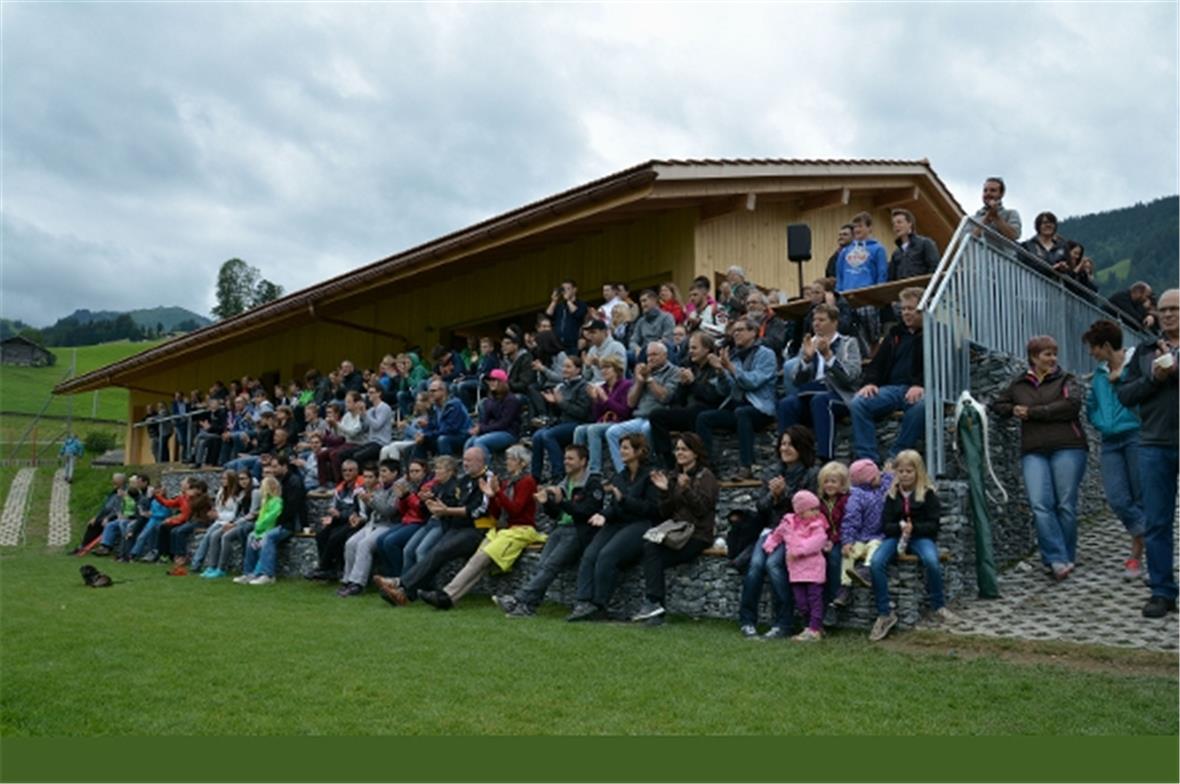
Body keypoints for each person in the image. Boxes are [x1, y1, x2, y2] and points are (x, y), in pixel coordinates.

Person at [992, 335, 1087, 580]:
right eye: (1047, 354)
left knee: (1065, 504)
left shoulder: (1067, 380)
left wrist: (1033, 413)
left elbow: (1071, 406)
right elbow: (999, 404)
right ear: (1034, 358)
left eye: (1054, 353)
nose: (1053, 358)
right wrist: (1012, 409)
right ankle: (1056, 558)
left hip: (1068, 446)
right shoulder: (1019, 384)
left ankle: (1065, 556)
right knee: (1040, 504)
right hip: (1033, 450)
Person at [1117, 288, 1179, 617]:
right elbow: (1125, 394)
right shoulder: (1143, 350)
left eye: (1175, 309)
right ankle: (1162, 591)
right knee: (1157, 521)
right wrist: (1155, 378)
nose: (1168, 315)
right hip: (1154, 444)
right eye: (1164, 309)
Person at [420, 445, 542, 609]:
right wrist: (491, 497)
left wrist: (496, 493)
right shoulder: (507, 482)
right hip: (504, 530)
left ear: (521, 462)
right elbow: (497, 512)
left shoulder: (527, 481)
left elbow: (516, 509)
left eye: (510, 459)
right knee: (477, 562)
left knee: (479, 560)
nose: (507, 462)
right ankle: (448, 597)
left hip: (521, 529)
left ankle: (447, 595)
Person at [494, 444, 604, 617]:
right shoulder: (565, 482)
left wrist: (561, 502)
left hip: (578, 532)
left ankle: (519, 599)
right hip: (560, 528)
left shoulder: (593, 484)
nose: (565, 462)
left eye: (570, 458)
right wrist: (546, 502)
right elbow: (555, 514)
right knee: (541, 565)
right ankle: (528, 607)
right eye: (565, 458)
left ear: (583, 462)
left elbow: (586, 512)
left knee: (551, 566)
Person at [375, 447, 495, 605]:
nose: (465, 464)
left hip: (478, 529)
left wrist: (445, 510)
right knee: (434, 552)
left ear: (480, 461)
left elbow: (480, 509)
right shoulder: (465, 480)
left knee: (437, 551)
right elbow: (453, 504)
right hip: (457, 526)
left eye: (469, 460)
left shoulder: (488, 478)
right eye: (464, 460)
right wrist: (432, 503)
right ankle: (404, 592)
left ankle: (401, 585)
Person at [566, 434, 660, 621]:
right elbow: (614, 507)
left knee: (607, 555)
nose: (622, 452)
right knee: (590, 554)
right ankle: (583, 601)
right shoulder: (620, 476)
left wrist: (624, 500)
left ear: (639, 451)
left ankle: (600, 605)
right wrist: (603, 515)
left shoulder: (650, 476)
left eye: (626, 448)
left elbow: (651, 508)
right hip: (618, 522)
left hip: (640, 524)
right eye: (621, 447)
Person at [736, 426, 819, 638]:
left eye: (790, 444)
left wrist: (784, 494)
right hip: (771, 530)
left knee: (773, 565)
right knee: (755, 566)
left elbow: (807, 510)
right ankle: (747, 621)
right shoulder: (772, 472)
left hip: (796, 533)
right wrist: (772, 496)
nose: (785, 448)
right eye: (783, 443)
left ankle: (784, 623)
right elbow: (761, 508)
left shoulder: (812, 473)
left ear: (802, 446)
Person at [629, 433, 719, 622]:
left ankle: (655, 605)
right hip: (677, 532)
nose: (679, 453)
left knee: (653, 555)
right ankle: (655, 605)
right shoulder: (674, 475)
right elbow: (665, 512)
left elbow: (702, 510)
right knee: (651, 549)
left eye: (684, 449)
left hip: (697, 534)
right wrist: (664, 492)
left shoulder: (706, 476)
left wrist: (686, 490)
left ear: (695, 453)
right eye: (677, 449)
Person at [1082, 320, 1147, 580]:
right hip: (1110, 441)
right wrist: (1100, 422)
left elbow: (1146, 399)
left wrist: (1121, 383)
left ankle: (1137, 555)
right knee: (1117, 498)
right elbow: (1091, 405)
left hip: (1136, 436)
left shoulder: (1137, 366)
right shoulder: (1098, 374)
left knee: (1142, 495)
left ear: (1106, 346)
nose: (1091, 353)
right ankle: (1148, 535)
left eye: (1093, 348)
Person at [868, 450, 954, 641]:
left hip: (920, 536)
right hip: (896, 536)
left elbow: (934, 525)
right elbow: (885, 524)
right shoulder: (891, 495)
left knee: (931, 560)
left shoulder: (928, 494)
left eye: (909, 471)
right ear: (896, 473)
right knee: (876, 562)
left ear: (918, 472)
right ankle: (885, 613)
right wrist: (900, 528)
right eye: (901, 471)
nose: (905, 475)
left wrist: (913, 529)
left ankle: (938, 605)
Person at [848, 287, 926, 462]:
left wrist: (921, 384)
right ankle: (868, 459)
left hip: (920, 389)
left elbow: (942, 364)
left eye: (911, 309)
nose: (906, 313)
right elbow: (877, 364)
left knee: (921, 406)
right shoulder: (895, 334)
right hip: (892, 389)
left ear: (923, 308)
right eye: (904, 309)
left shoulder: (935, 333)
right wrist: (870, 383)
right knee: (858, 403)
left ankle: (896, 458)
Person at [776, 303, 862, 460]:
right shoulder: (809, 343)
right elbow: (796, 380)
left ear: (834, 322)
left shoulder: (848, 343)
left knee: (821, 401)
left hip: (839, 395)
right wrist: (806, 360)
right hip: (809, 393)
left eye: (822, 320)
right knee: (786, 404)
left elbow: (851, 377)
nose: (816, 323)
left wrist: (828, 355)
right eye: (814, 320)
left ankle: (825, 457)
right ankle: (789, 457)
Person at [696, 316, 777, 480]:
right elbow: (723, 390)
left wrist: (730, 368)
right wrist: (720, 372)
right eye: (734, 331)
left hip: (760, 408)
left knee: (743, 412)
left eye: (740, 330)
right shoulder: (732, 356)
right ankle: (707, 467)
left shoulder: (766, 354)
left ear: (753, 332)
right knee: (704, 418)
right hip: (736, 407)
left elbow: (753, 382)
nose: (735, 334)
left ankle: (746, 466)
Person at [649, 331, 725, 468]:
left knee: (695, 413)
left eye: (694, 348)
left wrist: (693, 383)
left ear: (707, 349)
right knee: (656, 415)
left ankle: (704, 463)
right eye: (689, 348)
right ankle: (668, 461)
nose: (690, 352)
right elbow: (678, 400)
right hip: (689, 410)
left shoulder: (714, 367)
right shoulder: (688, 365)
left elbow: (713, 397)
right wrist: (683, 385)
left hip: (708, 409)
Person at [603, 341, 680, 474]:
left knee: (645, 430)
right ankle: (623, 472)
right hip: (638, 417)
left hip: (658, 418)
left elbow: (665, 397)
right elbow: (631, 403)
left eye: (655, 354)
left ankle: (649, 466)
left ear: (665, 356)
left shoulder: (674, 372)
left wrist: (649, 380)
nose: (650, 358)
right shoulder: (643, 372)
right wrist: (639, 381)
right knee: (612, 432)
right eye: (648, 355)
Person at [765, 490, 831, 641]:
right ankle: (809, 627)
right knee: (801, 602)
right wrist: (770, 545)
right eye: (812, 509)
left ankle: (814, 628)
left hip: (814, 568)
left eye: (817, 508)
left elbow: (818, 541)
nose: (816, 512)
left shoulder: (817, 524)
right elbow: (777, 534)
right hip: (796, 570)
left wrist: (798, 551)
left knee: (814, 599)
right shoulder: (788, 523)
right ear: (800, 510)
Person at [337, 460, 400, 596]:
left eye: (384, 471)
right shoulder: (380, 488)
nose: (382, 474)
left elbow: (389, 510)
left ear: (395, 473)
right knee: (351, 543)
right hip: (372, 524)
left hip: (388, 525)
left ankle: (358, 583)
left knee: (364, 545)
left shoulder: (397, 489)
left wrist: (370, 501)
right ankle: (347, 580)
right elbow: (369, 511)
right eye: (381, 471)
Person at [833, 459, 891, 602]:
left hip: (878, 535)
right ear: (868, 481)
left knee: (875, 547)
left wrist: (889, 473)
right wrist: (847, 541)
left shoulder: (882, 487)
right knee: (849, 554)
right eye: (877, 476)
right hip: (860, 537)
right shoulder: (856, 496)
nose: (881, 477)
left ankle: (866, 571)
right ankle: (845, 587)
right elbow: (850, 521)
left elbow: (890, 480)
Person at [531, 356, 592, 482]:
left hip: (577, 423)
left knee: (548, 435)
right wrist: (553, 403)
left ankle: (559, 474)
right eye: (564, 366)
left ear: (578, 370)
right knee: (537, 436)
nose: (565, 369)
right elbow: (560, 411)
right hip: (563, 422)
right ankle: (535, 476)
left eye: (569, 367)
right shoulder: (562, 386)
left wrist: (561, 402)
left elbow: (581, 412)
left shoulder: (583, 387)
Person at [573, 355, 632, 475]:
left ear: (616, 370)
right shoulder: (603, 387)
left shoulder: (626, 385)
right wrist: (595, 400)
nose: (603, 371)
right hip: (604, 422)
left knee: (593, 429)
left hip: (620, 422)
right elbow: (597, 416)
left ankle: (594, 470)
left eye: (607, 367)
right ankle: (577, 467)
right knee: (579, 430)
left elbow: (624, 412)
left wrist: (605, 398)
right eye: (602, 368)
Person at [307, 459, 365, 581]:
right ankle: (328, 568)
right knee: (321, 535)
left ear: (357, 471)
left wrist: (340, 514)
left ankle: (324, 567)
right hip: (340, 520)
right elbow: (334, 506)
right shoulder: (340, 488)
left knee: (335, 537)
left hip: (354, 522)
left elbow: (358, 511)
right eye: (344, 470)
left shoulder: (361, 487)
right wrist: (332, 515)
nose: (347, 473)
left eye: (350, 470)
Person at [373, 458, 430, 578]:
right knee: (380, 540)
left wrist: (406, 496)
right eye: (411, 471)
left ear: (424, 472)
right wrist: (402, 498)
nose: (413, 474)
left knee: (390, 542)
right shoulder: (407, 485)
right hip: (407, 520)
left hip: (420, 521)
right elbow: (402, 510)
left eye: (417, 471)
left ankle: (398, 577)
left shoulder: (427, 486)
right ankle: (389, 575)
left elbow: (421, 510)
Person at [198, 470, 258, 578]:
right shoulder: (238, 492)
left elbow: (250, 514)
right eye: (240, 479)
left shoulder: (253, 492)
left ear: (250, 479)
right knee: (213, 536)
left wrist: (233, 523)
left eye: (244, 479)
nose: (242, 482)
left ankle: (221, 568)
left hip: (244, 522)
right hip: (234, 521)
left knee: (225, 537)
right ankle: (212, 566)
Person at [190, 471, 244, 574]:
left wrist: (219, 515)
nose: (222, 481)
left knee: (214, 536)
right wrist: (215, 513)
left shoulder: (237, 495)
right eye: (222, 478)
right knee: (207, 536)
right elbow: (219, 508)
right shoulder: (221, 491)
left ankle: (216, 566)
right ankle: (198, 563)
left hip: (229, 522)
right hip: (219, 521)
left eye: (225, 479)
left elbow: (234, 513)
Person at [232, 477, 284, 585]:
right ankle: (248, 572)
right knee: (251, 537)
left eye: (263, 487)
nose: (261, 490)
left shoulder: (277, 501)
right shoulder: (265, 501)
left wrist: (259, 528)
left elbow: (271, 518)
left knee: (264, 539)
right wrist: (257, 529)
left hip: (268, 529)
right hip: (260, 529)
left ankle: (266, 573)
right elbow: (261, 517)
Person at [463, 368, 522, 459]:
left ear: (502, 382)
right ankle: (468, 468)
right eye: (490, 380)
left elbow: (504, 423)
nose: (491, 383)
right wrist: (478, 428)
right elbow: (484, 420)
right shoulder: (489, 400)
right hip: (492, 431)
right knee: (469, 442)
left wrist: (482, 429)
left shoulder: (511, 400)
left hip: (508, 433)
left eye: (494, 380)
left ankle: (485, 470)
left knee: (480, 442)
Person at [414, 379, 471, 459]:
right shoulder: (434, 408)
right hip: (442, 434)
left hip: (460, 436)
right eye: (429, 391)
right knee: (420, 441)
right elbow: (432, 427)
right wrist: (423, 432)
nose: (430, 394)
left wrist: (426, 435)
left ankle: (447, 466)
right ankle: (418, 467)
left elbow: (450, 429)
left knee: (442, 439)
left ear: (443, 391)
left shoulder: (454, 405)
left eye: (433, 391)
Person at [835, 211, 889, 294]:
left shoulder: (878, 249)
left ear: (869, 228)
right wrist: (838, 293)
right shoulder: (845, 251)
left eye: (860, 226)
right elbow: (839, 274)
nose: (857, 230)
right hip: (847, 295)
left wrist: (879, 293)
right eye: (855, 227)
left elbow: (882, 274)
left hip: (868, 295)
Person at [888, 209, 940, 281]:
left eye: (899, 222)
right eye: (893, 224)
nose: (896, 226)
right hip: (902, 290)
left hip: (922, 288)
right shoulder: (896, 254)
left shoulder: (925, 243)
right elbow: (891, 278)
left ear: (910, 224)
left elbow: (935, 266)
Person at [971, 176, 1021, 242]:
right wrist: (986, 219)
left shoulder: (1011, 213)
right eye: (985, 190)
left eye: (993, 190)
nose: (988, 193)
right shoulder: (973, 218)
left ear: (1001, 194)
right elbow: (968, 239)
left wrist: (996, 217)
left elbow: (1014, 235)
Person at [545, 279, 589, 355]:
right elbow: (548, 314)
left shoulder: (581, 304)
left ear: (575, 290)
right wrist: (554, 301)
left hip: (573, 344)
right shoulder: (560, 306)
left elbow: (578, 314)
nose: (565, 291)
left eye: (568, 289)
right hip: (558, 344)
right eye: (563, 289)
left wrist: (568, 301)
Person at [629, 289, 676, 358]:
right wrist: (637, 348)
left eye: (645, 301)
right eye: (641, 302)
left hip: (660, 350)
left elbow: (667, 339)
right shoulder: (640, 321)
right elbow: (633, 341)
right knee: (625, 355)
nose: (642, 304)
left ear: (654, 301)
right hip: (643, 352)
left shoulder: (667, 317)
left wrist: (652, 348)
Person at [582, 318, 627, 387]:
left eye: (593, 332)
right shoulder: (592, 350)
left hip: (613, 386)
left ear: (604, 332)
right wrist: (587, 366)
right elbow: (586, 377)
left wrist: (600, 363)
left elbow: (621, 372)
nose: (590, 336)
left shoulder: (616, 346)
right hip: (595, 385)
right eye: (589, 333)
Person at [743, 290, 788, 358]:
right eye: (748, 303)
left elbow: (776, 343)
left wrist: (752, 340)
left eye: (754, 302)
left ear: (764, 306)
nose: (750, 305)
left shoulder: (775, 321)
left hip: (769, 358)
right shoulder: (742, 322)